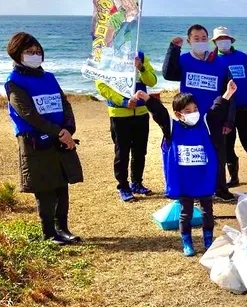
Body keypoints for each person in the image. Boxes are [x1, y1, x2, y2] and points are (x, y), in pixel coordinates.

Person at [136, 80, 237, 256]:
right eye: (187, 111)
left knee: (208, 211)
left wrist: (228, 93)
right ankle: (187, 242)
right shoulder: (172, 127)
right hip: (184, 179)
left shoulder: (205, 123)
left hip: (203, 177)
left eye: (195, 109)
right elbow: (159, 113)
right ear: (178, 114)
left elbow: (216, 110)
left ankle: (207, 240)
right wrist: (147, 99)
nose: (193, 114)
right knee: (186, 213)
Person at [5, 33, 83, 244]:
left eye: (38, 51)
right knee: (45, 188)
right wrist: (58, 132)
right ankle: (49, 233)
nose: (35, 55)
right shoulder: (14, 82)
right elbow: (28, 113)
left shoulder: (48, 78)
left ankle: (63, 228)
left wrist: (68, 129)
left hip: (60, 138)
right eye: (29, 52)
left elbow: (64, 103)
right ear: (17, 54)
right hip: (35, 142)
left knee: (61, 186)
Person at [162, 24, 236, 202]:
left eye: (204, 38)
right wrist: (173, 49)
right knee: (192, 155)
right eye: (196, 38)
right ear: (189, 41)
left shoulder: (219, 63)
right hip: (189, 118)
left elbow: (230, 92)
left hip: (213, 117)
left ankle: (220, 189)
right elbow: (168, 74)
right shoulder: (184, 60)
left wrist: (228, 121)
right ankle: (192, 190)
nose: (201, 41)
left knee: (218, 154)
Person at [95, 52, 157, 202]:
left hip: (141, 113)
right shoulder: (106, 57)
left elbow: (152, 81)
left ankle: (137, 182)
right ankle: (123, 186)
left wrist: (141, 68)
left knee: (140, 150)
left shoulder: (140, 56)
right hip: (119, 115)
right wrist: (123, 101)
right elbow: (102, 86)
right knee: (122, 152)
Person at [211, 26, 247, 187]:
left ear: (231, 40)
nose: (223, 42)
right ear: (215, 42)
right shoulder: (213, 60)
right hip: (225, 111)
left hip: (245, 109)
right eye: (220, 39)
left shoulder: (243, 57)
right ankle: (233, 177)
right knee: (227, 146)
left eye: (226, 38)